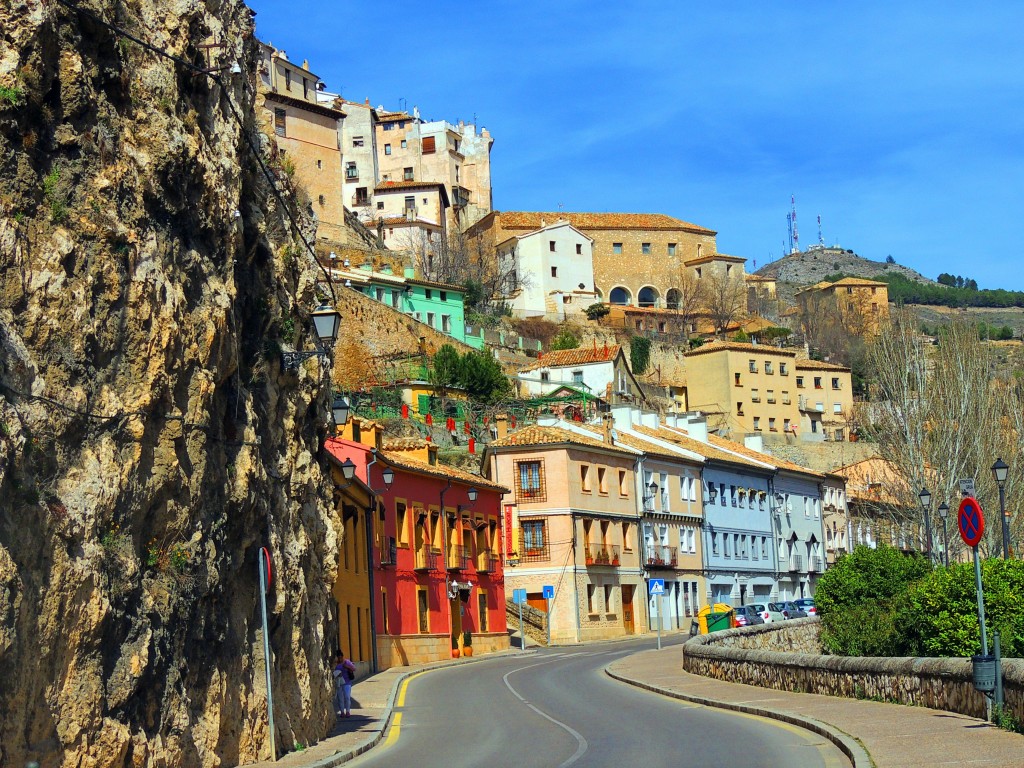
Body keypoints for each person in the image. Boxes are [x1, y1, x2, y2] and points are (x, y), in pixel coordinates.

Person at [332, 649, 356, 718]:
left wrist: (347, 667)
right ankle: (342, 712)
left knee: (347, 697)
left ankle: (348, 711)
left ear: (342, 656)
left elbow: (354, 668)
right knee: (340, 698)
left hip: (347, 682)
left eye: (341, 657)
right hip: (339, 683)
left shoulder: (346, 662)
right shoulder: (335, 664)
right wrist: (337, 674)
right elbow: (332, 673)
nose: (340, 659)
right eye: (338, 658)